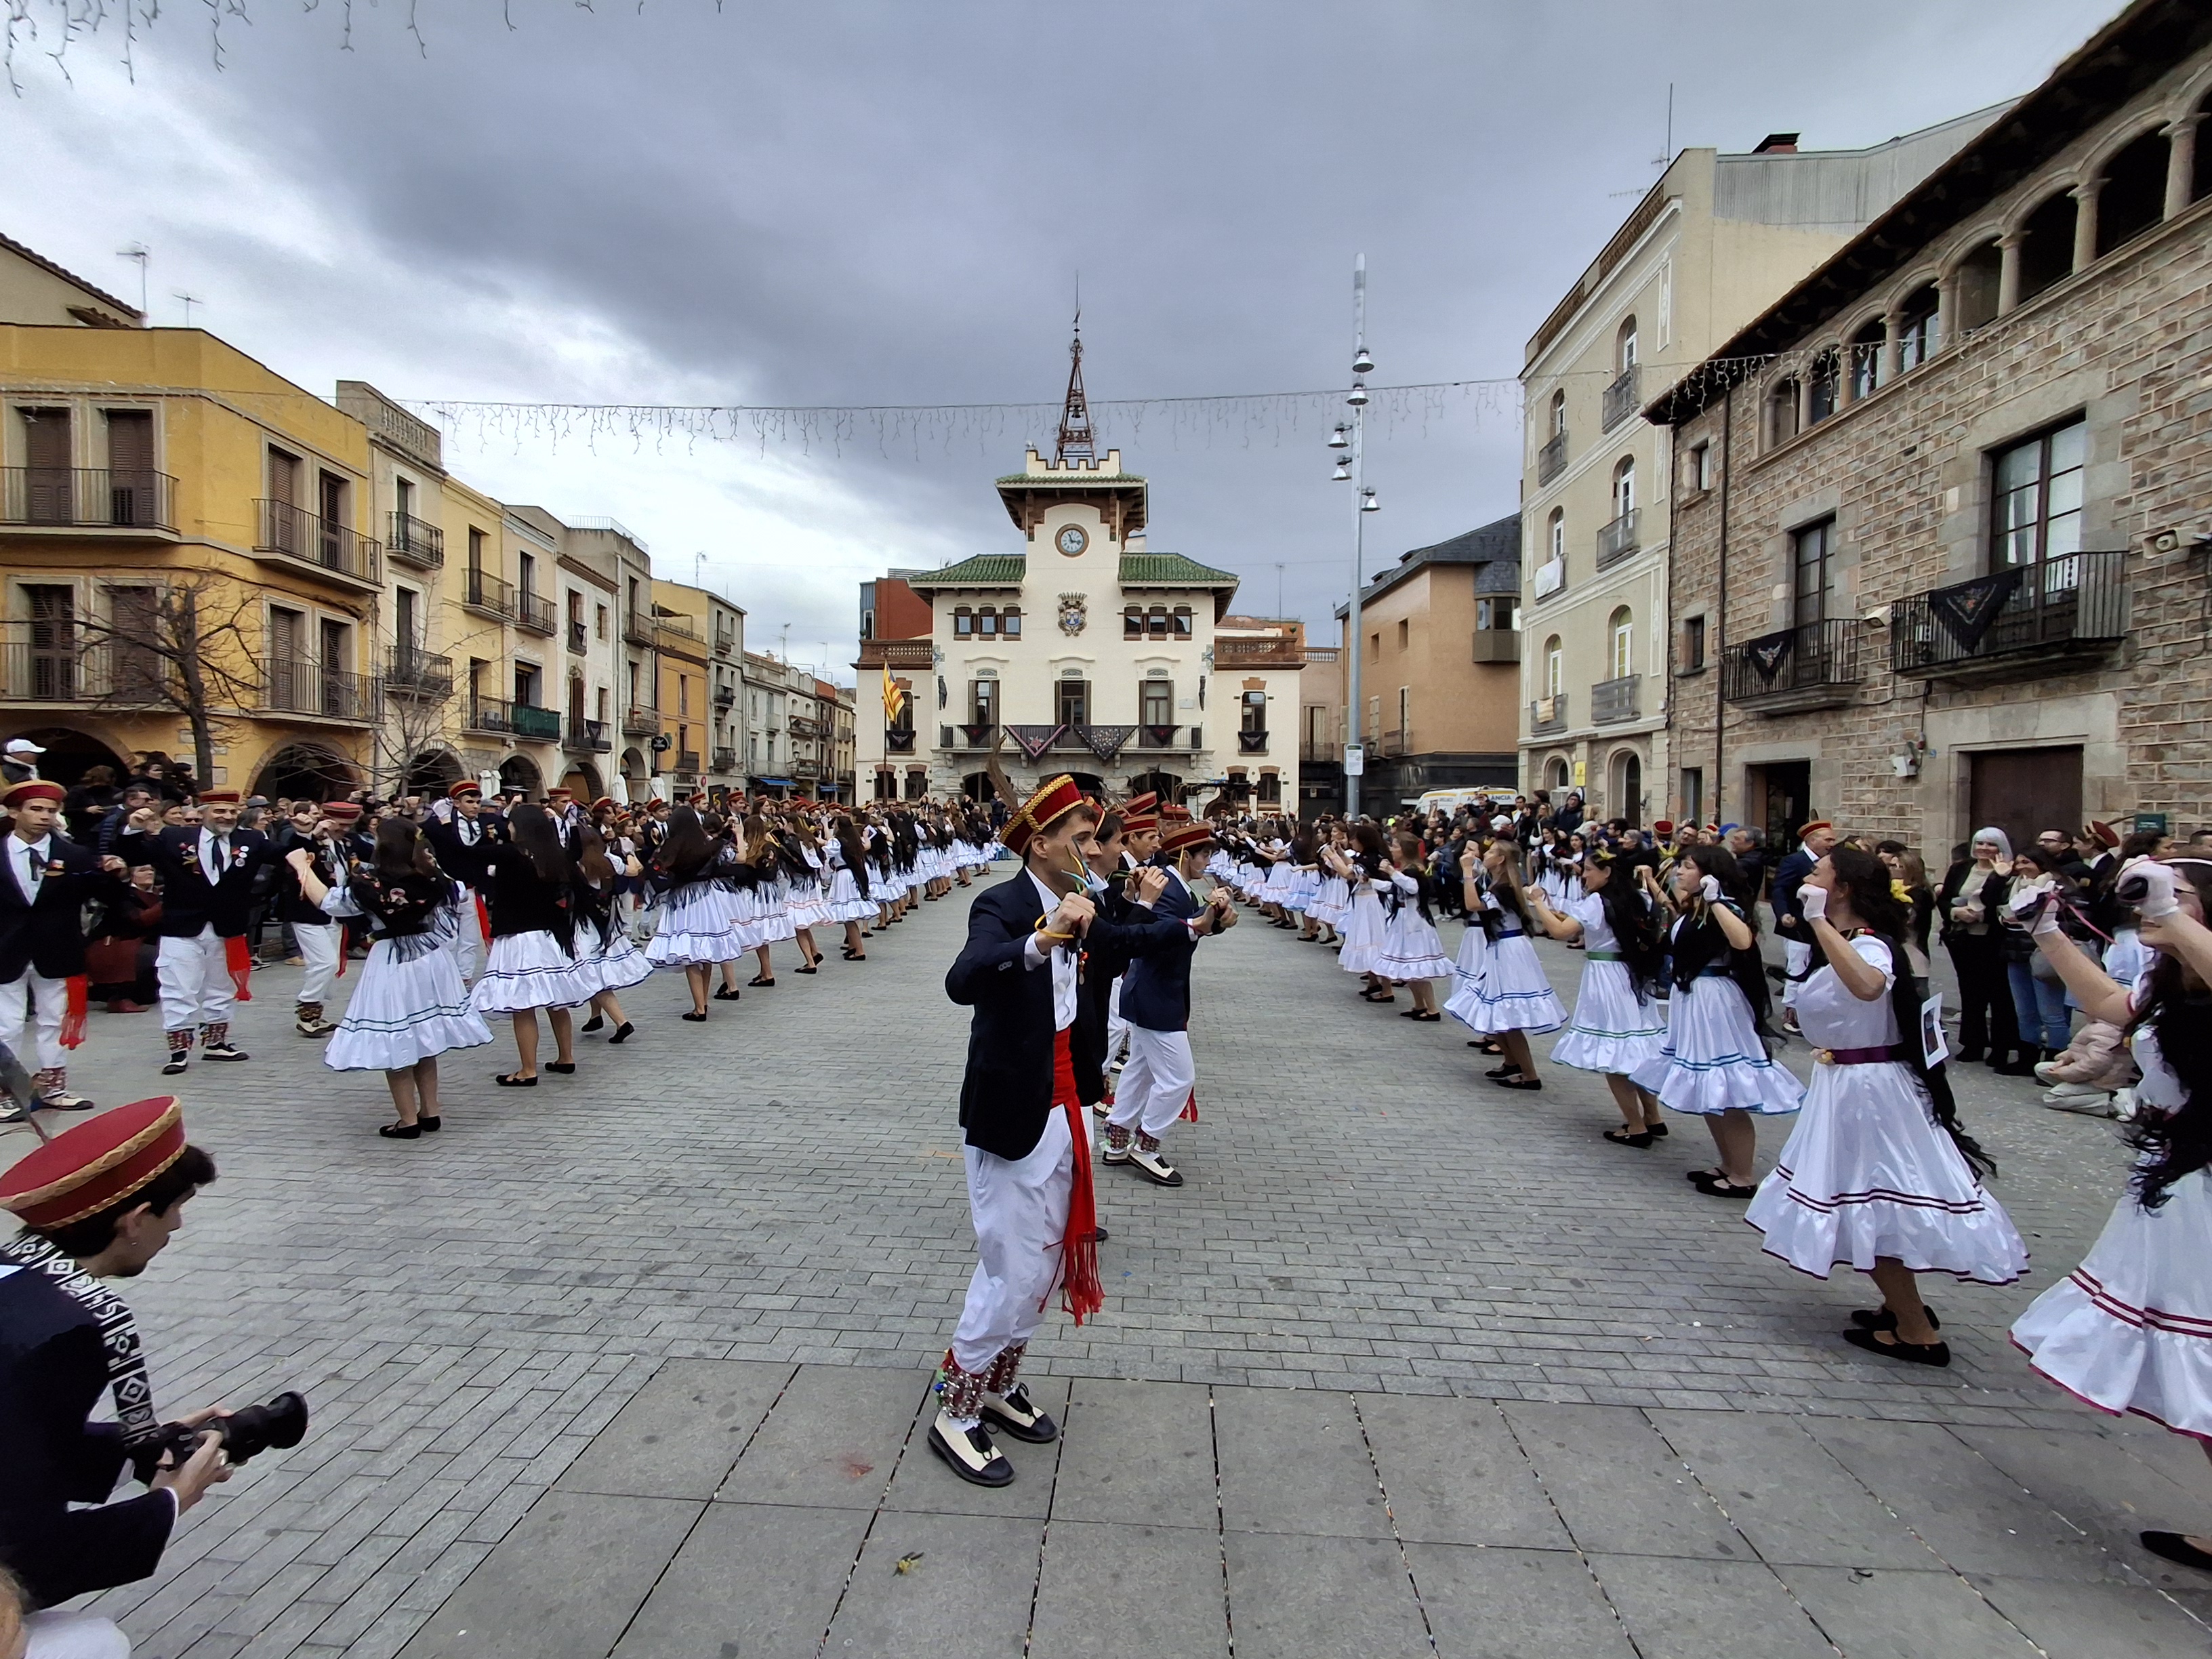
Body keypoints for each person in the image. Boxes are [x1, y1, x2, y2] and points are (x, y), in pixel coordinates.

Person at [932, 775, 1189, 1488]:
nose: (1094, 849)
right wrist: (1039, 941)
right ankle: (956, 1409)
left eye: (1092, 837)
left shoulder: (1087, 903)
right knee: (1010, 1268)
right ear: (1039, 844)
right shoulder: (1003, 903)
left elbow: (1129, 941)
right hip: (1013, 1109)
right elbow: (963, 978)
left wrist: (1194, 926)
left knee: (1045, 1262)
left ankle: (998, 1381)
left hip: (1068, 1104)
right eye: (1080, 837)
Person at [2008, 857, 2212, 1573]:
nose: (2153, 908)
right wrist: (2049, 931)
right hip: (2179, 1178)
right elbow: (2111, 1009)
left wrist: (2177, 917)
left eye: (2178, 897)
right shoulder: (2171, 977)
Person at [1745, 846, 2026, 1365]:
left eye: (1819, 873)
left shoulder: (1870, 946)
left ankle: (1917, 1330)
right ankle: (1901, 1305)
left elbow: (1869, 986)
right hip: (1850, 1082)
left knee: (1872, 1201)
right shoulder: (1853, 940)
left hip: (1868, 1090)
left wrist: (1817, 924)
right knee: (1872, 1202)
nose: (1809, 879)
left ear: (1843, 889)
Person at [0, 1098, 231, 1618]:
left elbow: (17, 1443)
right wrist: (170, 1503)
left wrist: (141, 1449)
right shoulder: (66, 1330)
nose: (177, 1228)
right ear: (137, 1219)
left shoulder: (16, 1280)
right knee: (97, 1644)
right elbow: (27, 1556)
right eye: (177, 1210)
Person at [1632, 845, 1803, 1196]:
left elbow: (1743, 941)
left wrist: (1717, 900)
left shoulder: (1724, 906)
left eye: (1688, 866)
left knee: (1727, 1086)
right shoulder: (1694, 907)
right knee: (1711, 1086)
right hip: (1694, 998)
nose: (1680, 871)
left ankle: (1743, 1175)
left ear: (1710, 874)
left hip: (1717, 1003)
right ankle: (1727, 1164)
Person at [1103, 817, 1235, 1187]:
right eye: (1204, 854)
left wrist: (1218, 918)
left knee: (1141, 1069)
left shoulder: (1176, 885)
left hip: (1154, 990)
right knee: (1179, 1077)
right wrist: (1205, 922)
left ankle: (1116, 1141)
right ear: (1183, 854)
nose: (1208, 862)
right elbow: (1154, 934)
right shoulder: (1163, 885)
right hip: (1154, 993)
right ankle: (1145, 1146)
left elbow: (1193, 924)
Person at [117, 789, 279, 1074]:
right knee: (178, 987)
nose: (226, 817)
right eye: (219, 811)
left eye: (231, 812)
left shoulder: (251, 840)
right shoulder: (175, 838)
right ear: (203, 813)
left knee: (221, 987)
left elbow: (285, 857)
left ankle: (216, 1043)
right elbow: (132, 853)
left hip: (227, 927)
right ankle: (178, 1049)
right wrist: (134, 827)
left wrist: (308, 836)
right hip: (182, 927)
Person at [1527, 845, 1670, 1144]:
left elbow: (1561, 931)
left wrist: (1538, 903)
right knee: (1638, 1046)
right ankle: (1653, 1117)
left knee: (1615, 1052)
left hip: (1607, 978)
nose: (1584, 875)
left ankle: (1636, 1126)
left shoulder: (1597, 901)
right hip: (1633, 975)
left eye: (1590, 870)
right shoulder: (1636, 896)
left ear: (1606, 872)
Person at [0, 782, 106, 1112]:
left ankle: (53, 1087)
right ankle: (7, 1092)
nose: (45, 817)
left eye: (51, 810)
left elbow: (101, 893)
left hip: (58, 950)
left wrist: (112, 874)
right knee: (7, 1024)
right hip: (6, 950)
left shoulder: (73, 855)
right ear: (15, 812)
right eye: (36, 809)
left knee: (55, 1020)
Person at [470, 802, 592, 1083]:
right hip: (551, 936)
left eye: (512, 823)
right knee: (555, 1001)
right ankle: (566, 1056)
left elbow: (473, 852)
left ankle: (528, 1069)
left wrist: (495, 820)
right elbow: (576, 851)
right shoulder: (555, 854)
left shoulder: (511, 854)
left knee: (523, 1004)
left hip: (520, 936)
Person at [1446, 836, 1565, 1089]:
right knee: (1494, 1009)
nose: (1486, 855)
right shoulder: (1500, 883)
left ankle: (1530, 1074)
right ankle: (1512, 1062)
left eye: (1492, 853)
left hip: (1509, 952)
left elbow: (1472, 904)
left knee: (1508, 1014)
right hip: (1502, 948)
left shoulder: (1503, 888)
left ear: (1501, 860)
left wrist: (1467, 871)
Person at [1937, 830, 2022, 1067]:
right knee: (1970, 991)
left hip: (1994, 938)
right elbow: (1944, 898)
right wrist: (1956, 913)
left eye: (1991, 844)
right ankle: (1973, 1043)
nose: (1984, 848)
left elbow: (2001, 902)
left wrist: (1998, 877)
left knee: (2000, 994)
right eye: (1980, 843)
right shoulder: (1961, 868)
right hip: (1963, 938)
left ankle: (2001, 1046)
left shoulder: (2009, 873)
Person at [1999, 846, 2076, 1069]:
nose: (2022, 868)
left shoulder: (2060, 885)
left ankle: (2056, 1061)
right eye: (2019, 863)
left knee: (2051, 1012)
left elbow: (2076, 918)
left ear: (2041, 864)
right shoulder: (2011, 885)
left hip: (2045, 952)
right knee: (2025, 1010)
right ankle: (2027, 1058)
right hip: (2015, 950)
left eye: (2027, 862)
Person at [1771, 819, 1835, 1034]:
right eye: (1828, 839)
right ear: (1812, 840)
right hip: (1798, 925)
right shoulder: (1794, 861)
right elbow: (1780, 889)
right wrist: (1784, 913)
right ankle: (1791, 1014)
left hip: (1822, 925)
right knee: (1797, 968)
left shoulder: (1831, 862)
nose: (1832, 843)